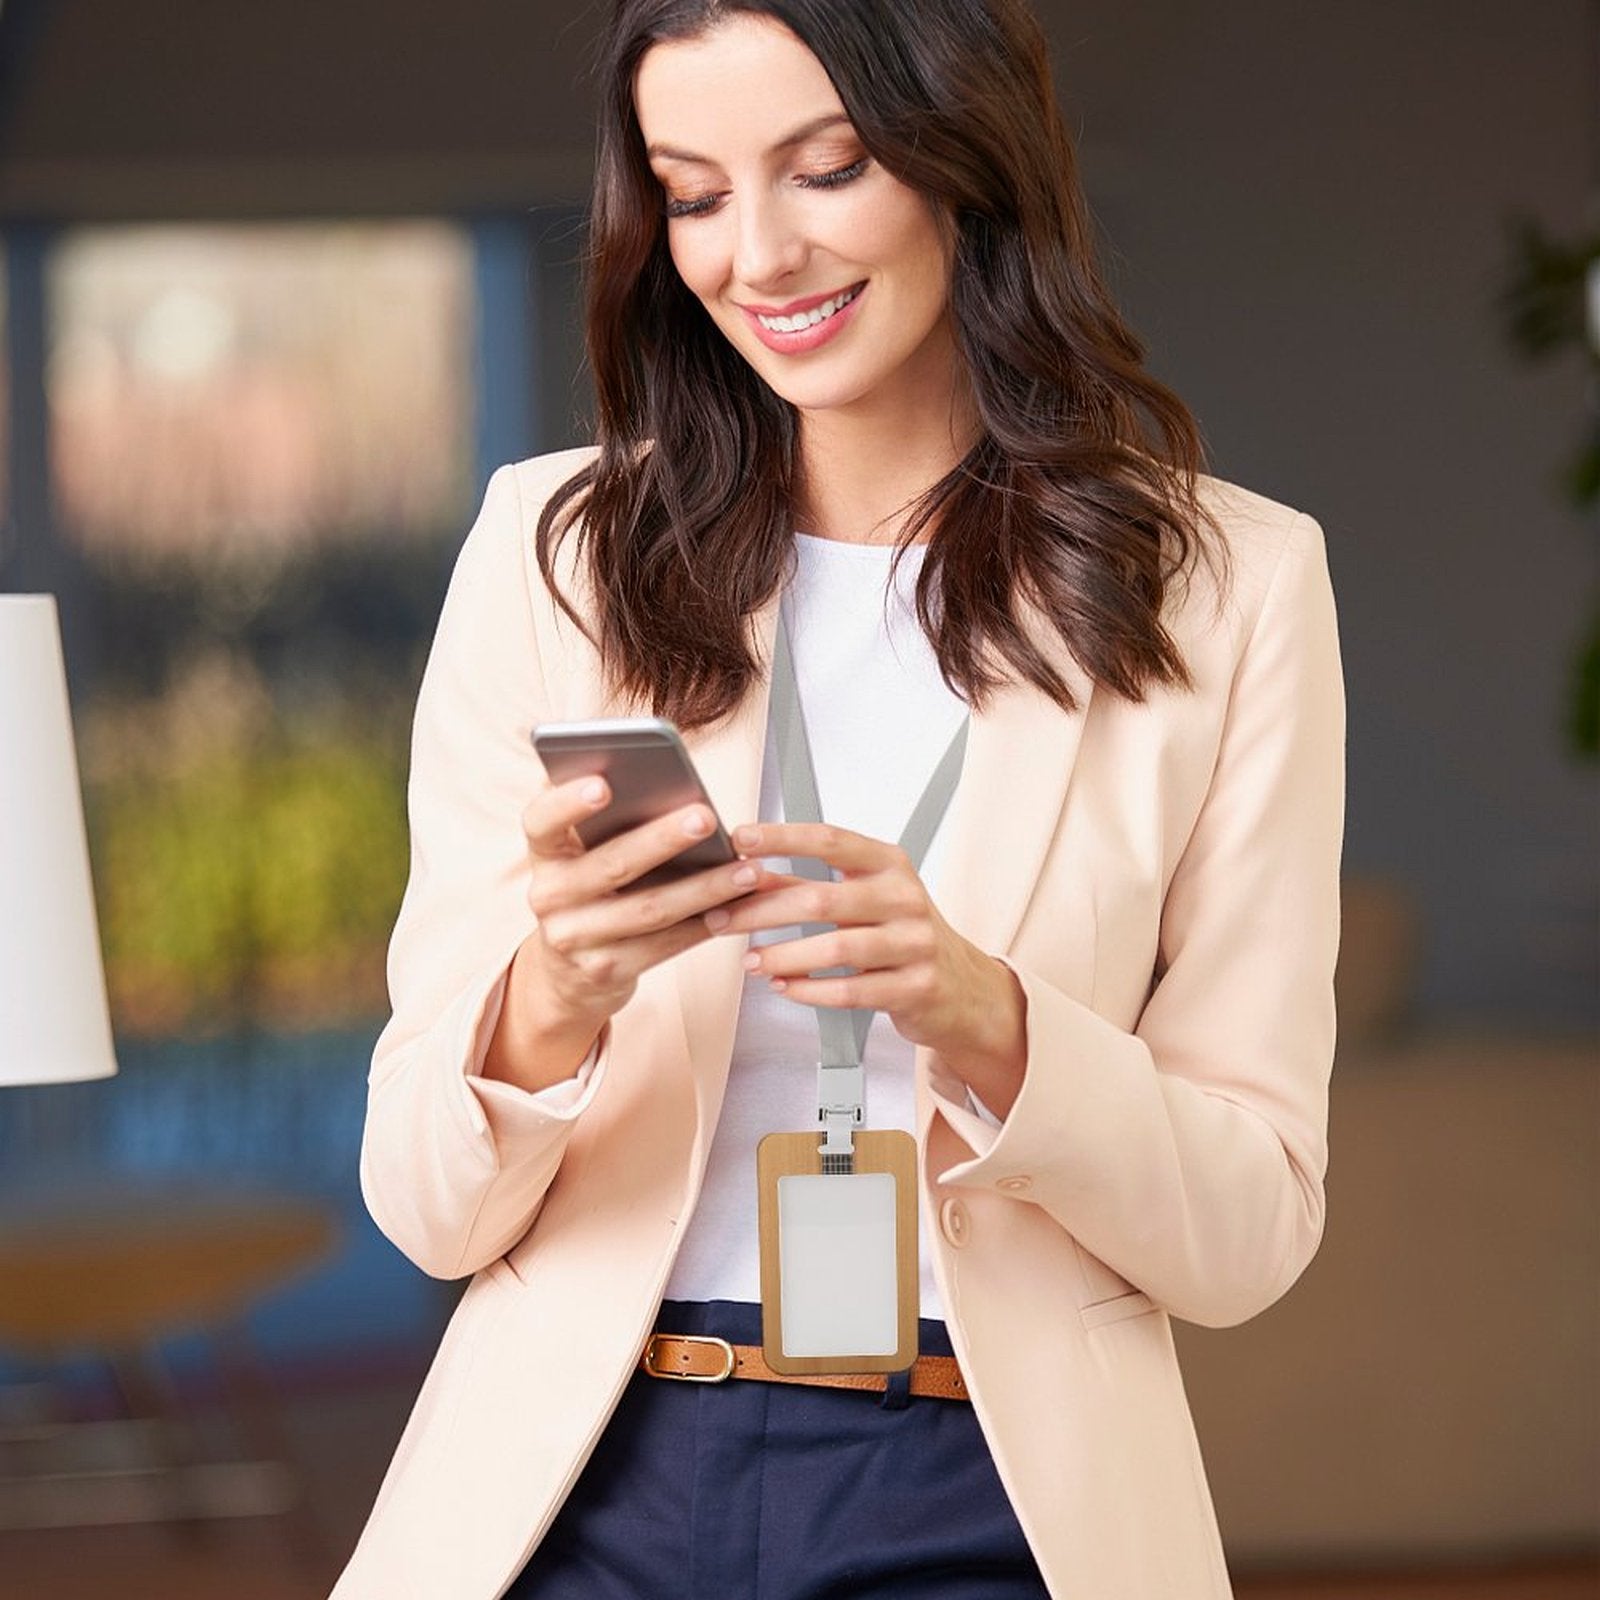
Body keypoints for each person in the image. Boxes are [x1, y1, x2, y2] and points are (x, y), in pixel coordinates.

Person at [332, 0, 1344, 1595]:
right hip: (587, 1484)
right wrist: (553, 1001)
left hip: (984, 1494)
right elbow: (423, 1205)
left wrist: (985, 1016)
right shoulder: (558, 556)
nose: (759, 256)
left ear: (966, 160)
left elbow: (1251, 1232)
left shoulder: (1229, 590)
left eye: (828, 168)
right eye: (694, 191)